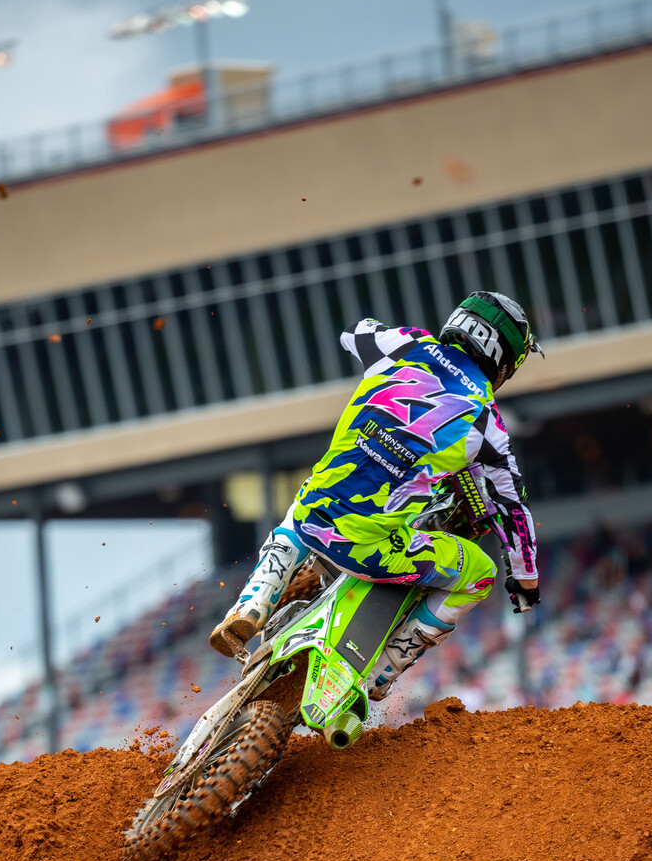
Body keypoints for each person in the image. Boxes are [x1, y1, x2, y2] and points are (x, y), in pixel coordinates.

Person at [210, 292, 543, 702]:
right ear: (504, 361)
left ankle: (252, 603)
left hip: (314, 519)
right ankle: (381, 674)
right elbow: (513, 510)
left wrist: (378, 334)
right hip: (371, 550)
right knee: (480, 574)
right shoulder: (485, 421)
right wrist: (525, 581)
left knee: (307, 498)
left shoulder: (407, 344)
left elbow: (355, 333)